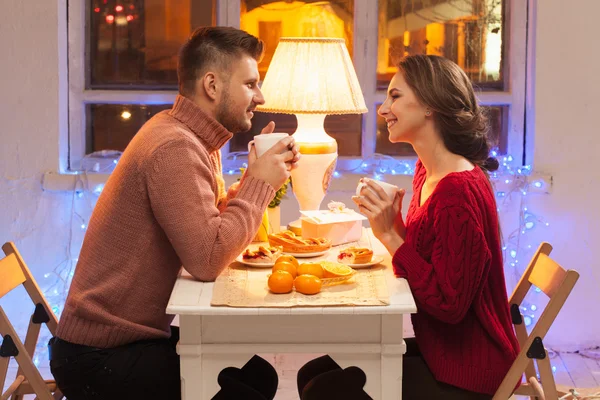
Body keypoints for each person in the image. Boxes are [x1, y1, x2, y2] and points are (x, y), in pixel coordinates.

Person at [48, 26, 300, 400]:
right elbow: (207, 258)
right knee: (246, 390)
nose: (259, 97)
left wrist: (249, 182)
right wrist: (258, 186)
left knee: (257, 373)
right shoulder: (174, 147)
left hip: (125, 341)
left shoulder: (189, 137)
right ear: (212, 85)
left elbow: (202, 225)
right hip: (100, 356)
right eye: (250, 84)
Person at [353, 54, 520, 399]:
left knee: (326, 387)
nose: (383, 110)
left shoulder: (455, 192)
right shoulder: (430, 172)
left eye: (395, 96)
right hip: (443, 350)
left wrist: (389, 236)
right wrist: (394, 223)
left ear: (430, 105)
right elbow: (435, 261)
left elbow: (448, 305)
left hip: (469, 370)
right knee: (319, 372)